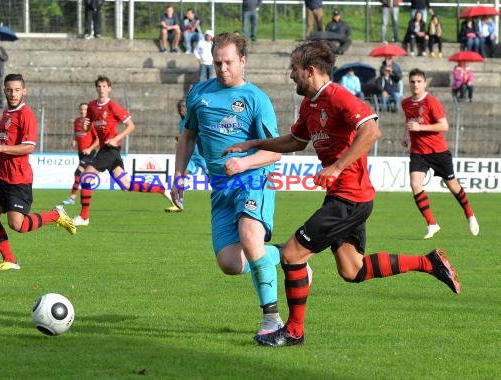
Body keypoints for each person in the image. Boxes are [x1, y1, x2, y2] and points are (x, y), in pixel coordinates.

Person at [223, 41, 462, 348]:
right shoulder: (310, 105)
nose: (290, 75)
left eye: (294, 69)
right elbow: (295, 141)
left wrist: (336, 167)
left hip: (350, 197)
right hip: (345, 198)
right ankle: (430, 263)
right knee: (352, 269)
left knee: (293, 255)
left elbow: (371, 130)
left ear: (310, 71)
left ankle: (293, 331)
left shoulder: (338, 96)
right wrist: (253, 144)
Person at [171, 32, 289, 336]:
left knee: (250, 239)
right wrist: (178, 174)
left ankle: (272, 320)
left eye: (229, 63)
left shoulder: (256, 99)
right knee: (230, 263)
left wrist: (244, 163)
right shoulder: (199, 94)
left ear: (243, 61)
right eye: (217, 62)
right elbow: (187, 137)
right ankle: (285, 254)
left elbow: (274, 151)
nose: (223, 69)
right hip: (220, 186)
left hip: (253, 178)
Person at [0, 73, 76, 271]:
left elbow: (28, 147)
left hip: (18, 179)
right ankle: (10, 260)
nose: (13, 93)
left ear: (24, 91)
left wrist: (1, 149)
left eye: (17, 90)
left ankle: (55, 215)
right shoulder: (7, 113)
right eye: (9, 90)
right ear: (5, 91)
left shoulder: (26, 115)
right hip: (1, 175)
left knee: (18, 225)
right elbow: (4, 138)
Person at [72, 75, 175, 226]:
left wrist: (116, 138)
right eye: (99, 86)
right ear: (96, 88)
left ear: (109, 88)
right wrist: (86, 125)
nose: (101, 89)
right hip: (106, 150)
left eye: (104, 86)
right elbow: (87, 128)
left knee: (85, 178)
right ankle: (161, 189)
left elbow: (131, 126)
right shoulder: (92, 106)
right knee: (126, 186)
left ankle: (84, 217)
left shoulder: (114, 106)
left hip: (110, 149)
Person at [401, 68, 479, 239]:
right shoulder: (406, 103)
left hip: (438, 152)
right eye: (412, 81)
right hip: (418, 152)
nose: (415, 84)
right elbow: (408, 122)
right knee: (415, 185)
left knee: (453, 186)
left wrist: (421, 128)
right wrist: (406, 136)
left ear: (425, 83)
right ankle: (432, 223)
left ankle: (470, 214)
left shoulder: (431, 102)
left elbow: (444, 126)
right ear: (409, 83)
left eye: (419, 81)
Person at [165, 98, 207, 213]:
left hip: (202, 155)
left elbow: (198, 134)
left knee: (214, 178)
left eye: (183, 107)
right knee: (181, 176)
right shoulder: (181, 122)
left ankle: (228, 197)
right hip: (190, 157)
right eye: (180, 107)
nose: (181, 109)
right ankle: (180, 203)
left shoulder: (194, 121)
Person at [62, 103, 99, 205]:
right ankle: (85, 196)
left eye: (85, 110)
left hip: (90, 153)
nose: (83, 112)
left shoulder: (91, 123)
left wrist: (89, 149)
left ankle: (72, 198)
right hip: (81, 153)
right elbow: (76, 133)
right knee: (84, 177)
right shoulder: (77, 121)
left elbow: (98, 140)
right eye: (81, 110)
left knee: (78, 173)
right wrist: (74, 140)